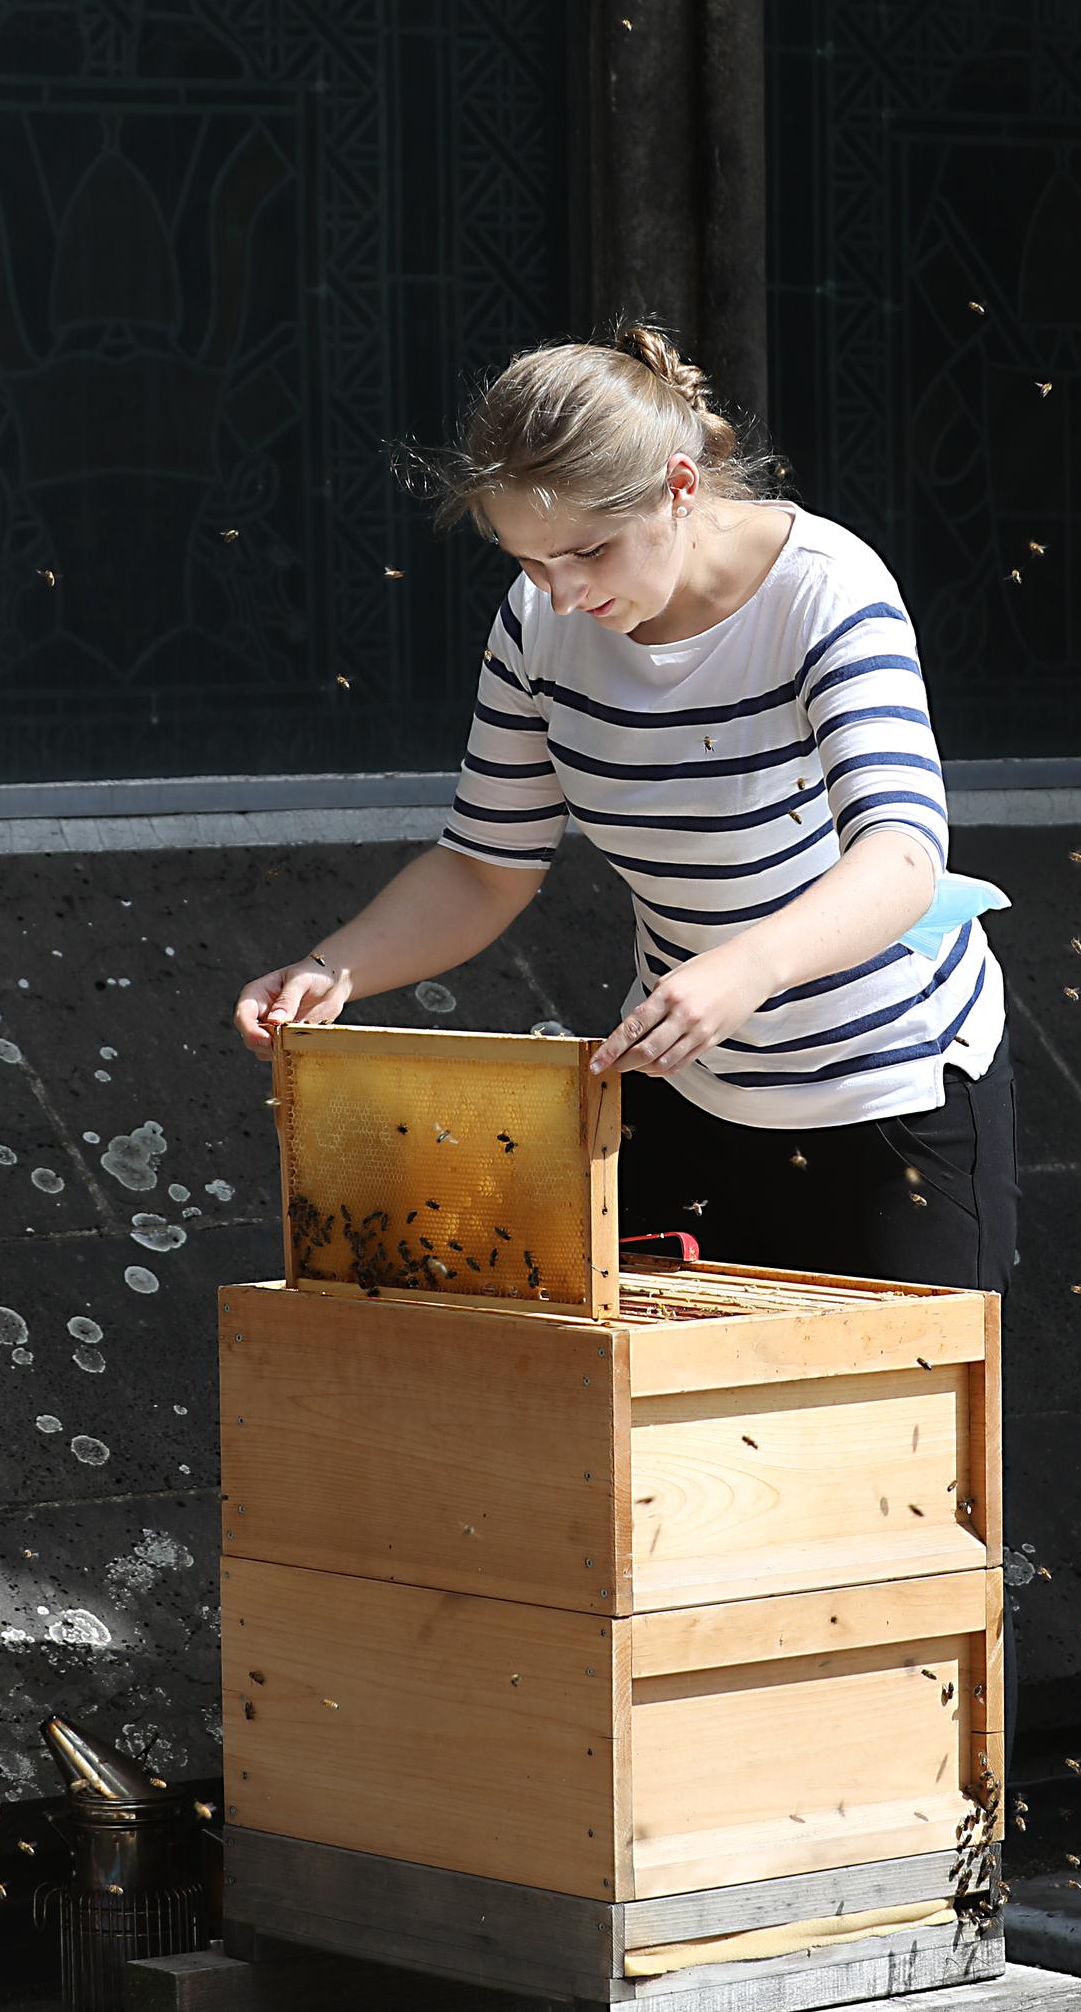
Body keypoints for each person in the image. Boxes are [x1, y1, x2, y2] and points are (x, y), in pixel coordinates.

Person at [229, 324, 1015, 1292]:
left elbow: (900, 855)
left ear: (679, 488)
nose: (559, 595)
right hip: (678, 1076)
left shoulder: (826, 588)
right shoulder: (537, 621)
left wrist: (747, 968)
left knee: (894, 1435)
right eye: (526, 561)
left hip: (888, 1083)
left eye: (586, 553)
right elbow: (484, 864)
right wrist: (333, 966)